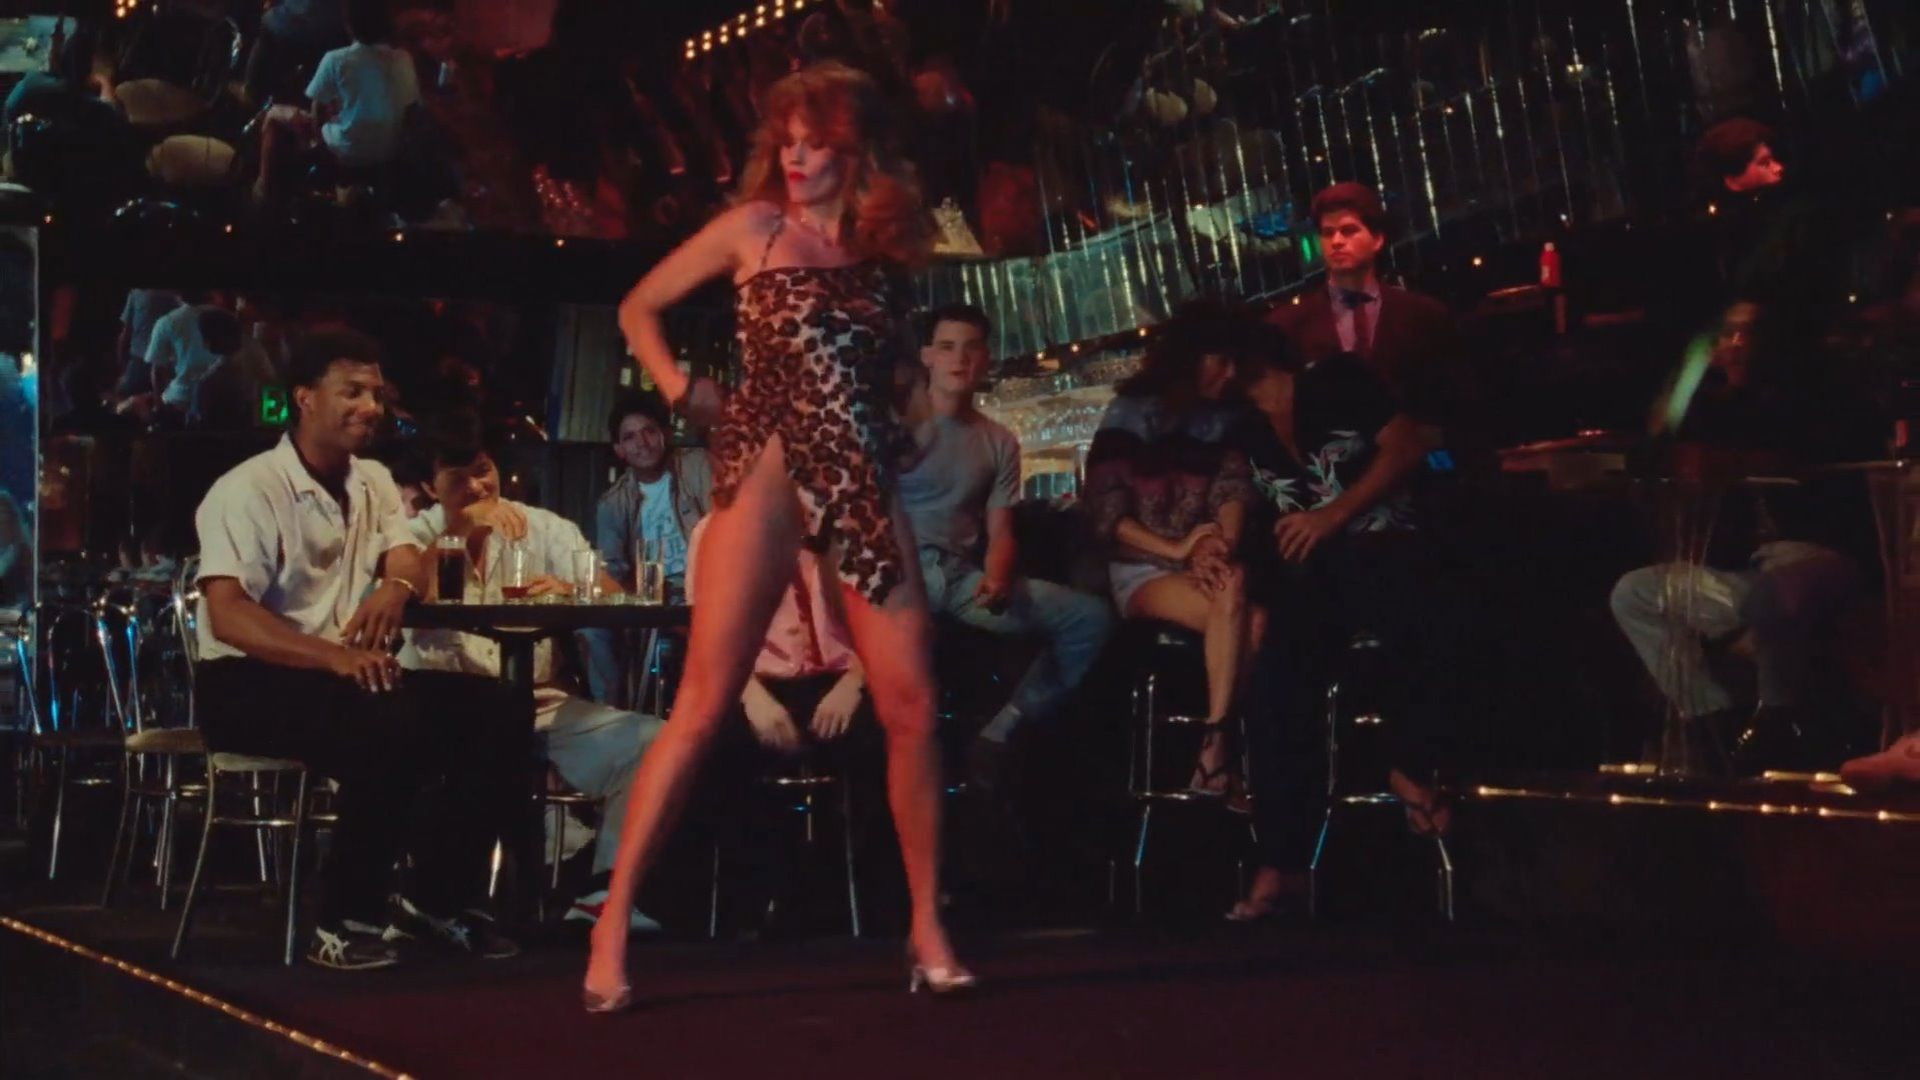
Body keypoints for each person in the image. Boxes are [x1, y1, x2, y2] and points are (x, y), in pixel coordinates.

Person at [584, 61, 972, 1013]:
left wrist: (911, 421)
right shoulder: (753, 228)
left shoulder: (883, 253)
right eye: (787, 142)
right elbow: (637, 307)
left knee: (913, 702)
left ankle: (926, 926)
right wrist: (681, 389)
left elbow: (895, 381)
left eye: (817, 144)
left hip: (858, 473)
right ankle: (611, 920)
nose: (796, 159)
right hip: (765, 465)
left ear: (856, 149)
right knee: (703, 704)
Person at [193, 329, 528, 970]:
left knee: (498, 709)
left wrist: (396, 588)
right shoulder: (247, 488)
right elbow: (229, 616)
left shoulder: (372, 480)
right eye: (351, 392)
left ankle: (435, 901)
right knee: (386, 720)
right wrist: (336, 658)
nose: (370, 407)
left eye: (375, 393)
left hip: (340, 677)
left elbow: (406, 558)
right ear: (304, 398)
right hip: (245, 680)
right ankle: (345, 920)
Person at [1225, 328, 1461, 920]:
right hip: (1314, 580)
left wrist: (1332, 515)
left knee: (1413, 624)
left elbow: (1407, 447)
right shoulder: (1243, 430)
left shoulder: (1337, 381)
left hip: (1387, 550)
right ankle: (1281, 861)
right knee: (1273, 684)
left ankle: (1410, 769)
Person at [400, 412, 665, 931]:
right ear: (430, 487)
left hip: (540, 699)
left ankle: (603, 891)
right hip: (445, 703)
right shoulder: (415, 534)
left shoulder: (541, 527)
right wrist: (463, 530)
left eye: (484, 470)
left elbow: (610, 593)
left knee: (651, 741)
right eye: (459, 478)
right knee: (487, 737)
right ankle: (464, 902)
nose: (479, 487)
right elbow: (408, 593)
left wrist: (571, 590)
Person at [900, 303, 1112, 786]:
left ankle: (1004, 728)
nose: (960, 359)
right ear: (927, 356)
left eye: (971, 348)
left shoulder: (998, 440)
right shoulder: (897, 426)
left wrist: (997, 576)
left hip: (959, 579)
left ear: (986, 358)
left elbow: (1001, 530)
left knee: (1090, 619)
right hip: (899, 577)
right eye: (948, 347)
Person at [1085, 300, 1264, 798]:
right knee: (1243, 605)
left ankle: (1213, 754)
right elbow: (1105, 511)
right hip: (1140, 568)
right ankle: (1223, 753)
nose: (1230, 374)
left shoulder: (1227, 417)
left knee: (1251, 610)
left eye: (1237, 362)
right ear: (1190, 357)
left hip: (1199, 562)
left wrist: (1217, 547)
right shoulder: (1132, 412)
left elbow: (1232, 490)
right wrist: (1179, 548)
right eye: (1220, 360)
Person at [588, 389, 712, 703]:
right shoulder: (613, 504)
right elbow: (612, 572)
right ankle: (613, 715)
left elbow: (725, 525)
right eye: (629, 437)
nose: (641, 443)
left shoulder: (696, 466)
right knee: (590, 629)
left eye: (649, 431)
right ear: (619, 450)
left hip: (706, 587)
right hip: (652, 600)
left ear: (664, 434)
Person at [255, 0, 421, 203]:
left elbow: (317, 112)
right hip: (390, 153)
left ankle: (263, 191)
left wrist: (318, 141)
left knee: (274, 115)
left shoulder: (336, 59)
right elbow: (410, 110)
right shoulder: (404, 59)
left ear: (349, 25)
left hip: (343, 154)